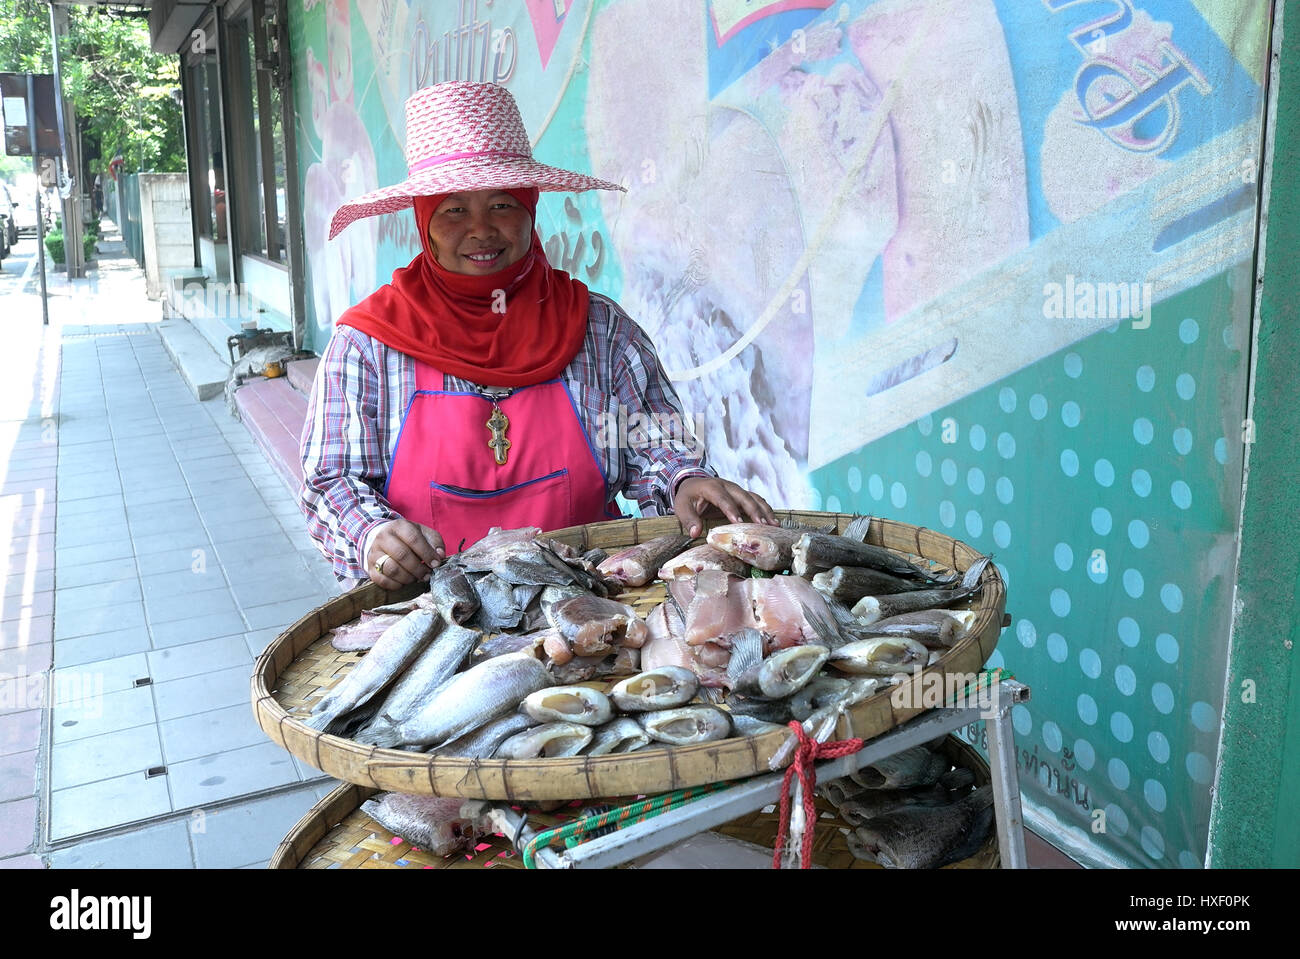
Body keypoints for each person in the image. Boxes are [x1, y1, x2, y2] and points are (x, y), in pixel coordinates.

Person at [301, 81, 775, 590]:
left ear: (530, 208)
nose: (481, 230)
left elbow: (654, 441)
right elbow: (330, 482)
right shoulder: (369, 343)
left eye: (502, 205)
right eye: (454, 209)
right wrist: (372, 535)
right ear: (424, 220)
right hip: (435, 617)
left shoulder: (600, 329)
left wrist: (685, 481)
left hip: (590, 607)